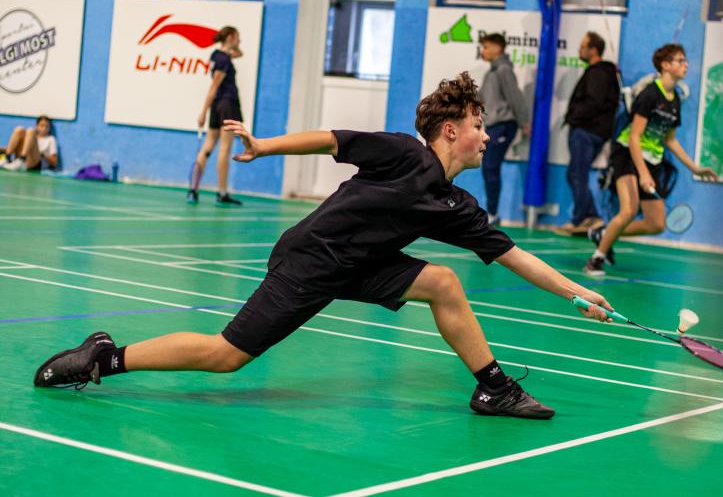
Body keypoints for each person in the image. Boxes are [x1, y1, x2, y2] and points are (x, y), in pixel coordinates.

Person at [34, 73, 612, 420]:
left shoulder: (454, 205)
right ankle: (105, 356)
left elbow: (514, 256)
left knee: (443, 282)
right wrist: (264, 147)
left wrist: (576, 293)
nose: (486, 136)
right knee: (226, 356)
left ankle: (494, 389)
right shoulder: (403, 153)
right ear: (451, 130)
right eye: (479, 125)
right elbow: (332, 140)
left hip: (362, 265)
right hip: (310, 260)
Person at [584, 45, 718, 276]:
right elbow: (634, 137)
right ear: (665, 65)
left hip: (652, 159)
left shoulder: (675, 100)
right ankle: (596, 259)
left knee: (656, 223)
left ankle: (603, 233)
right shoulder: (650, 95)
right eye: (680, 60)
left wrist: (694, 168)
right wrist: (643, 173)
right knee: (629, 210)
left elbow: (670, 140)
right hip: (628, 154)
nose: (685, 64)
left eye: (685, 60)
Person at [556, 32, 620, 236]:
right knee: (574, 173)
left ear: (593, 50)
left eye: (583, 46)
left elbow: (594, 102)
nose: (579, 49)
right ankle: (591, 215)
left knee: (577, 174)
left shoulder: (598, 73)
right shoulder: (602, 72)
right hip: (592, 131)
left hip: (586, 131)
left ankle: (581, 218)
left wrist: (574, 118)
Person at [477, 33, 531, 226]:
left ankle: (493, 213)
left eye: (486, 47)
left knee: (491, 166)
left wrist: (524, 123)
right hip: (493, 126)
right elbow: (480, 98)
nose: (483, 51)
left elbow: (515, 98)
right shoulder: (490, 73)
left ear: (497, 48)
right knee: (488, 167)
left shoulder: (504, 70)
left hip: (504, 126)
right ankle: (492, 212)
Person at [187, 26, 244, 206]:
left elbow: (239, 53)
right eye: (238, 37)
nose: (240, 42)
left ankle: (193, 189)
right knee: (224, 149)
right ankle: (222, 193)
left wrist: (231, 45)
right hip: (227, 105)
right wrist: (203, 112)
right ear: (231, 37)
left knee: (208, 146)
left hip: (217, 106)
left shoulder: (216, 55)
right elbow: (213, 88)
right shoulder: (224, 60)